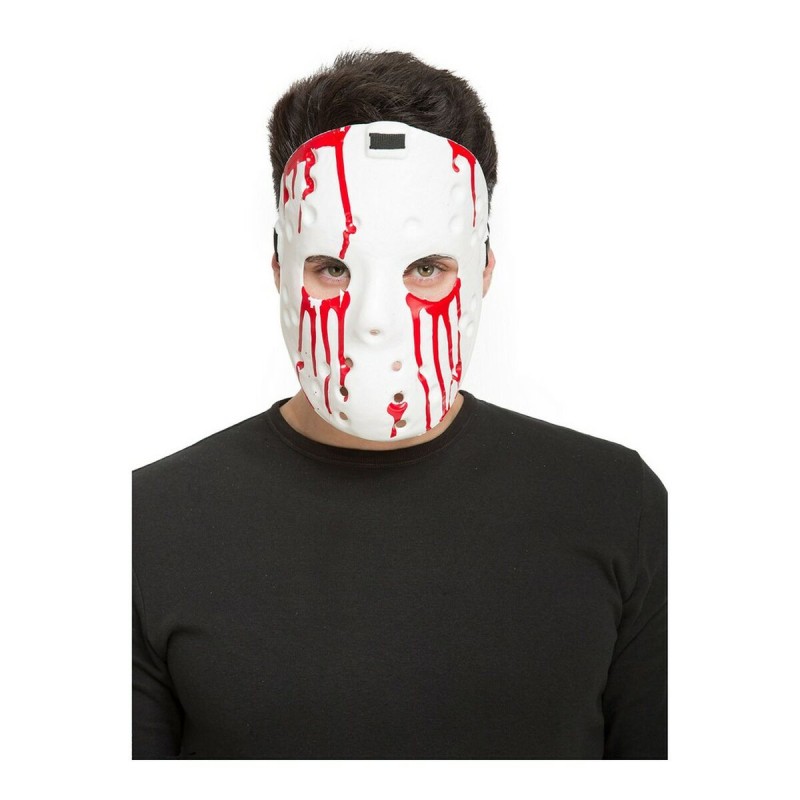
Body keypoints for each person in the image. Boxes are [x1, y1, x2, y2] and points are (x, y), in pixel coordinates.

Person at [133, 49, 667, 760]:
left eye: (426, 268)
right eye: (332, 268)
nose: (375, 321)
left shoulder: (618, 506)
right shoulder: (147, 526)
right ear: (280, 270)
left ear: (483, 272)